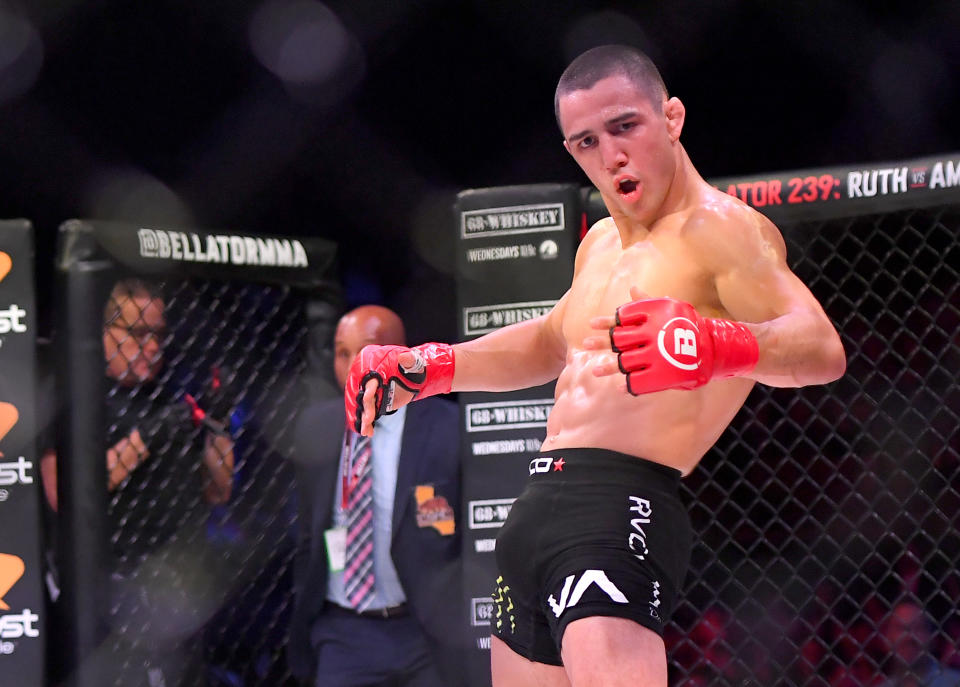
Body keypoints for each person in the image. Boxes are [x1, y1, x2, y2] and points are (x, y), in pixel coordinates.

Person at [344, 44, 846, 687]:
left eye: (624, 126)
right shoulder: (602, 244)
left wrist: (718, 344)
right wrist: (435, 366)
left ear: (672, 118)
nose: (609, 156)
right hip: (537, 504)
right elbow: (554, 341)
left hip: (621, 504)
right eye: (584, 141)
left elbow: (821, 348)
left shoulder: (722, 229)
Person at [39, 277, 235, 686]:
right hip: (105, 590)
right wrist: (144, 439)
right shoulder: (73, 397)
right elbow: (66, 495)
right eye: (139, 332)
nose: (152, 345)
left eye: (159, 334)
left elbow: (218, 491)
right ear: (105, 332)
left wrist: (218, 425)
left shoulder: (170, 393)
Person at [289, 305, 464, 687]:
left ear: (402, 355)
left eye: (368, 351)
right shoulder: (315, 427)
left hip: (424, 631)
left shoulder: (449, 429)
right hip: (344, 631)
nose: (354, 365)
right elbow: (308, 532)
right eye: (342, 352)